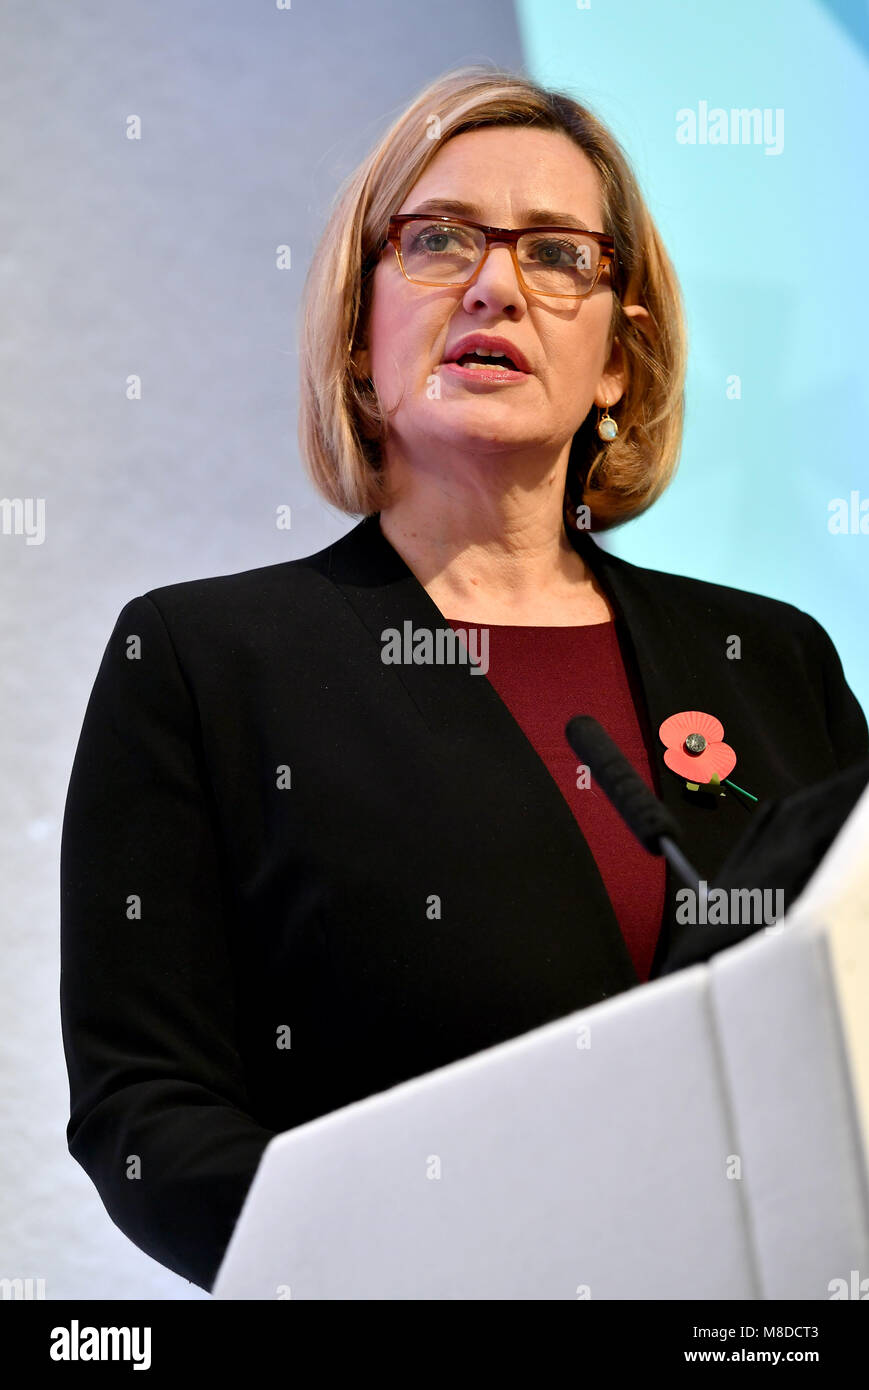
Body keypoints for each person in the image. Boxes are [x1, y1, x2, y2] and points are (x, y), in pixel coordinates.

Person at [60, 64, 868, 1294]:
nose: (495, 284)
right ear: (356, 327)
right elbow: (144, 1113)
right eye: (437, 241)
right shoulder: (202, 664)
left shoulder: (774, 659)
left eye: (556, 255)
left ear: (614, 358)